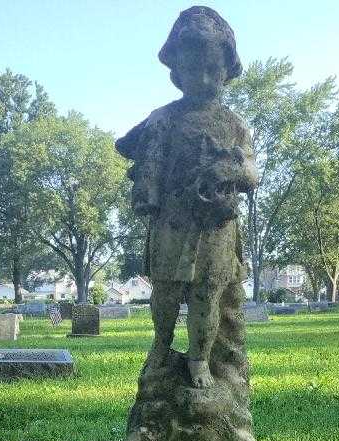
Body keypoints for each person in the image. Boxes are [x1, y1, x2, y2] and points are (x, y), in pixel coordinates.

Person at [116, 6, 258, 389]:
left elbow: (252, 172)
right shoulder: (164, 117)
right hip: (172, 220)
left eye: (213, 70)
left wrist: (232, 171)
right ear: (176, 71)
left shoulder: (235, 124)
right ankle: (161, 347)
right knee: (164, 290)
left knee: (207, 295)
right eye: (194, 70)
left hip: (216, 224)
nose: (205, 79)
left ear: (228, 70)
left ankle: (199, 359)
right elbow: (126, 145)